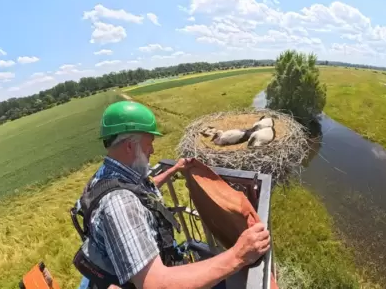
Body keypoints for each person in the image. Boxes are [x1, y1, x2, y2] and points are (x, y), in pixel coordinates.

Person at [74, 100, 271, 289]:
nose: (152, 150)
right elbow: (156, 284)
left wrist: (175, 168)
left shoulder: (105, 178)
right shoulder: (119, 203)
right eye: (149, 143)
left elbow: (144, 191)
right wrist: (239, 254)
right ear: (129, 146)